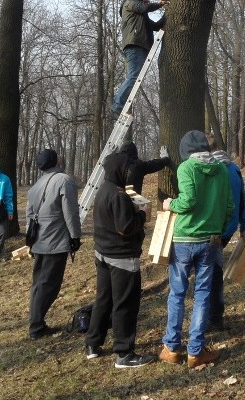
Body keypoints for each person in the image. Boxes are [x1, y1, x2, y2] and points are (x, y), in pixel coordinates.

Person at [158, 130, 233, 369]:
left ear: (186, 151)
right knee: (202, 294)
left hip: (184, 239)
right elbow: (230, 207)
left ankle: (171, 347)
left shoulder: (186, 168)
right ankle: (195, 351)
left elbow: (188, 201)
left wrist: (171, 204)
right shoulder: (222, 169)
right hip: (210, 240)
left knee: (177, 293)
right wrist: (218, 227)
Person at [84, 151, 155, 368]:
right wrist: (142, 214)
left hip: (103, 253)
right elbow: (126, 227)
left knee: (103, 299)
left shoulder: (104, 189)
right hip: (121, 257)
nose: (130, 173)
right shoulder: (118, 195)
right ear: (120, 170)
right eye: (128, 169)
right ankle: (124, 354)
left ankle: (92, 344)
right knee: (125, 304)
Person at [26, 149, 82, 340]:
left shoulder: (36, 185)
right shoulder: (64, 180)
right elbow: (71, 212)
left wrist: (30, 242)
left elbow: (29, 216)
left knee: (38, 284)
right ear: (55, 160)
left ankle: (37, 322)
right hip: (55, 241)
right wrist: (75, 236)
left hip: (39, 241)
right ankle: (36, 327)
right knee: (49, 285)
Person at [205, 132, 245, 331]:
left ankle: (215, 317)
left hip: (212, 229)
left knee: (212, 272)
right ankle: (214, 315)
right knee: (212, 269)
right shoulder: (234, 168)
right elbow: (243, 197)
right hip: (228, 229)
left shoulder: (208, 170)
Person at [111, 0, 168, 115]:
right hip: (135, 44)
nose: (148, 1)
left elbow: (154, 26)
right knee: (133, 76)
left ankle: (120, 104)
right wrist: (160, 4)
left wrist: (167, 14)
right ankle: (117, 105)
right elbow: (144, 7)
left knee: (134, 76)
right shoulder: (129, 2)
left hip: (140, 45)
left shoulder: (141, 15)